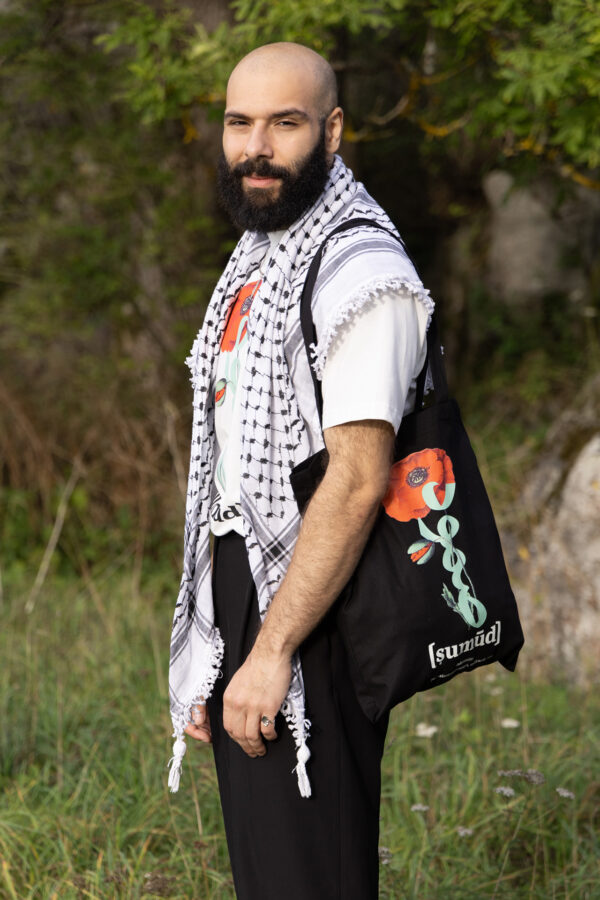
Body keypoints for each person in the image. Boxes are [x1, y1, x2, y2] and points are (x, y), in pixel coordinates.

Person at [168, 42, 433, 900]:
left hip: (316, 603)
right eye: (239, 122)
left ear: (332, 130)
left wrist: (271, 651)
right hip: (257, 588)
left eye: (284, 124)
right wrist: (220, 643)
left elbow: (357, 482)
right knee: (272, 875)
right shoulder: (261, 255)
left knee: (309, 877)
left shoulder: (362, 272)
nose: (256, 147)